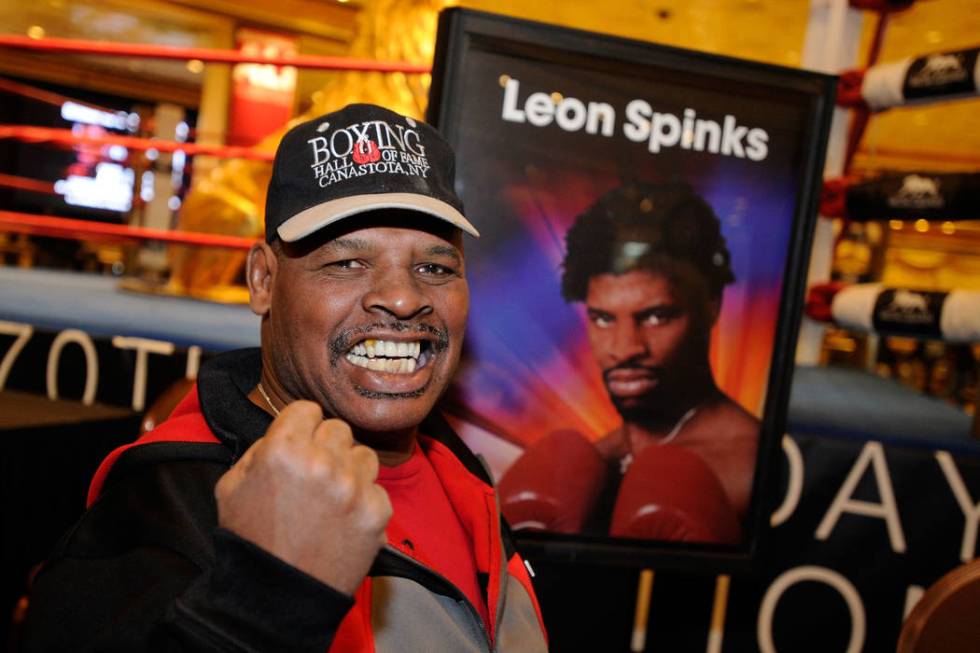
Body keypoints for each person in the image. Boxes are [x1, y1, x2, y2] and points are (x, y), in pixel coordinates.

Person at [23, 104, 548, 652]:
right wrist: (260, 601)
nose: (403, 297)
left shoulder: (462, 471)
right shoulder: (166, 510)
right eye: (348, 263)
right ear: (263, 280)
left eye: (435, 268)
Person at [498, 181, 758, 543]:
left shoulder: (748, 468)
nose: (624, 349)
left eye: (655, 316)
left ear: (711, 306)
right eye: (603, 318)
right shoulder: (590, 461)